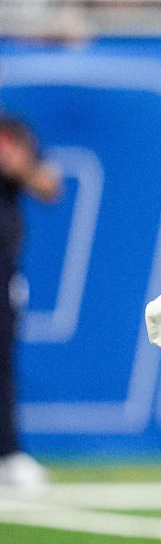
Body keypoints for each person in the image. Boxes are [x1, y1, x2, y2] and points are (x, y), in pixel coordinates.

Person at [0, 115, 60, 490]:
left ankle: (8, 453)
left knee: (2, 364)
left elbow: (49, 185)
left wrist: (18, 167)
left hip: (3, 268)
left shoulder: (16, 130)